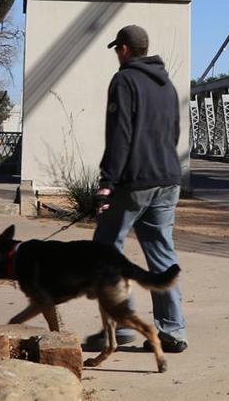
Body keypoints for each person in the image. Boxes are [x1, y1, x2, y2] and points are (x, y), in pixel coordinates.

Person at [84, 24, 188, 354]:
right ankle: (172, 331)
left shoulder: (124, 80)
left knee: (105, 252)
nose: (117, 55)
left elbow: (121, 135)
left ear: (125, 49)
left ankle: (119, 327)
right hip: (168, 178)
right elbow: (173, 134)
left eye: (117, 49)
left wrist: (106, 184)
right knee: (161, 253)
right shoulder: (168, 85)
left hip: (135, 182)